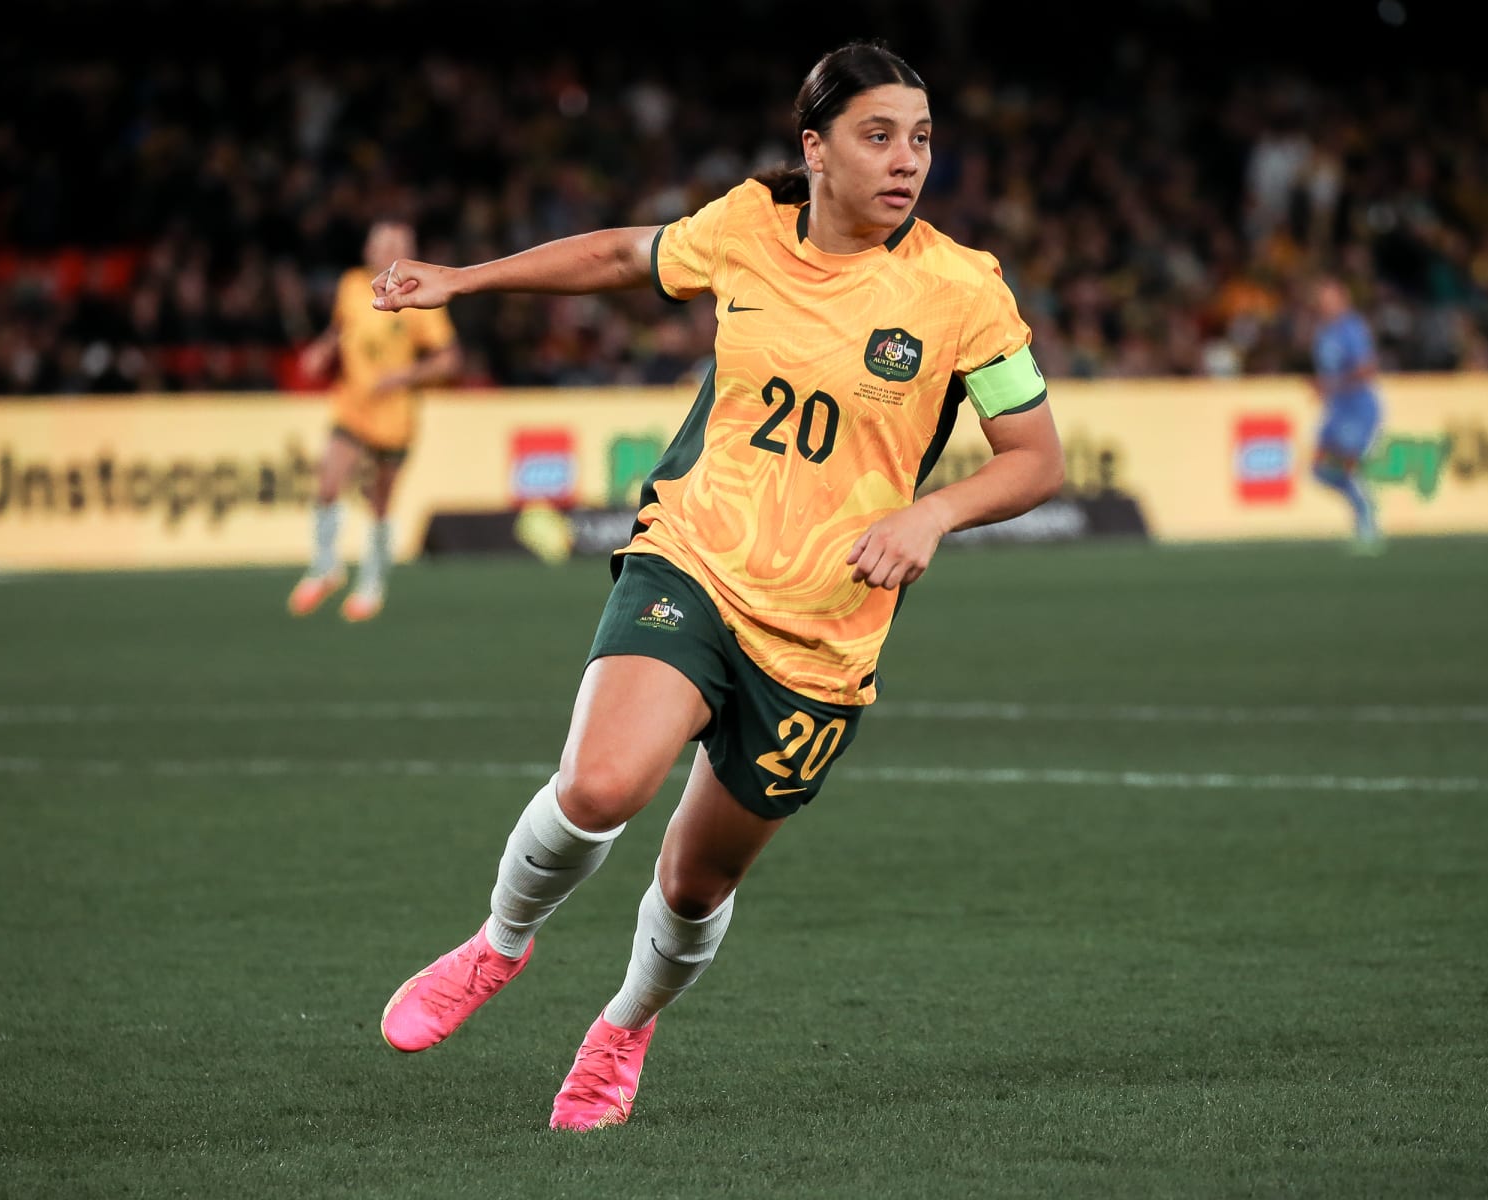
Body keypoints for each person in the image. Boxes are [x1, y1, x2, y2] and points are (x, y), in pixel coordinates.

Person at [371, 40, 1065, 1131]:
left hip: (827, 634)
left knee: (696, 888)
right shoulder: (745, 226)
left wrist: (933, 511)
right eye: (877, 135)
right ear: (815, 149)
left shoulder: (964, 290)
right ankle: (496, 945)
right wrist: (463, 279)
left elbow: (1038, 459)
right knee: (601, 786)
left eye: (921, 139)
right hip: (696, 558)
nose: (905, 162)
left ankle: (623, 1029)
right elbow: (615, 259)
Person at [287, 220, 462, 622]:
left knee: (379, 501)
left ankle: (371, 584)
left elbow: (449, 359)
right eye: (380, 243)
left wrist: (404, 376)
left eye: (396, 245)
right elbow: (341, 327)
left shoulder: (419, 297)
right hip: (353, 405)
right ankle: (326, 567)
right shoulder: (351, 285)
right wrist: (322, 349)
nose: (384, 251)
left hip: (394, 416)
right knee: (328, 482)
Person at [1308, 275, 1384, 550]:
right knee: (1319, 470)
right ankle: (1362, 504)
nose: (1324, 304)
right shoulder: (1322, 332)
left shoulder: (1352, 328)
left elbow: (1367, 368)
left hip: (1359, 410)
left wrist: (1334, 384)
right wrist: (1323, 388)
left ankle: (1366, 519)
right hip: (1337, 412)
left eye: (1330, 297)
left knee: (1343, 463)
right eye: (1321, 299)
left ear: (1343, 299)